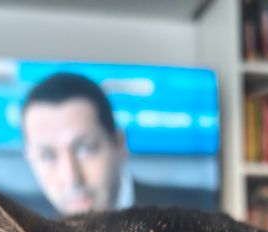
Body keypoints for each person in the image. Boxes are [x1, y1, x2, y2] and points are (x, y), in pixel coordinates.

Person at [20, 72, 216, 217]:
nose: (72, 178)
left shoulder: (192, 216)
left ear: (119, 144)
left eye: (85, 149)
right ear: (29, 159)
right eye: (47, 155)